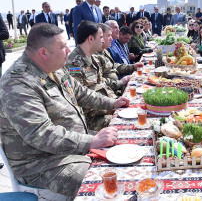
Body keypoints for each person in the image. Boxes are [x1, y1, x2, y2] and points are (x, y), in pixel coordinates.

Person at [0, 23, 129, 199]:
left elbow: (82, 93)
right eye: (62, 46)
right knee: (106, 181)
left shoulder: (55, 68)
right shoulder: (18, 83)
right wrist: (91, 141)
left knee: (124, 144)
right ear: (43, 52)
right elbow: (41, 134)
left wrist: (113, 103)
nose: (68, 50)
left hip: (70, 149)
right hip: (42, 164)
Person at [65, 20, 120, 131]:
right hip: (90, 119)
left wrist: (115, 100)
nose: (103, 40)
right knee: (122, 124)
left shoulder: (93, 58)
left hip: (103, 108)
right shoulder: (74, 64)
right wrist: (110, 107)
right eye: (100, 37)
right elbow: (80, 100)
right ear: (90, 39)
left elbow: (102, 85)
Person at [94, 23, 139, 96]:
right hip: (111, 94)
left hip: (116, 87)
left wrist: (133, 67)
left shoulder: (104, 51)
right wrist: (122, 82)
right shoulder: (93, 56)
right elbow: (99, 84)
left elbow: (114, 66)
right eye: (108, 36)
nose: (111, 38)